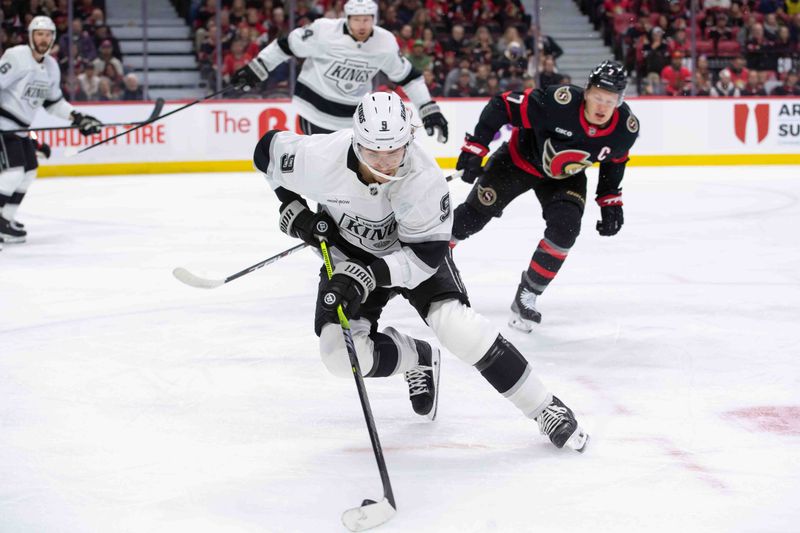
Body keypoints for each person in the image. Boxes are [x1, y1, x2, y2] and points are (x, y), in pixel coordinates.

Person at [252, 91, 589, 452]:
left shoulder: (424, 180)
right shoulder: (321, 157)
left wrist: (368, 276)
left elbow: (425, 257)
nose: (384, 165)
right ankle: (418, 358)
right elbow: (266, 152)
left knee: (457, 326)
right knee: (338, 355)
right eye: (373, 153)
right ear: (356, 141)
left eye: (394, 152)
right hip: (348, 255)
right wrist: (292, 208)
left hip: (412, 255)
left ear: (409, 140)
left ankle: (543, 407)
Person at [450, 60, 639, 331]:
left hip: (565, 177)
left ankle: (528, 295)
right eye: (597, 97)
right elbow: (502, 105)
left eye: (610, 101)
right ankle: (426, 265)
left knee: (566, 229)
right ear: (586, 92)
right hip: (517, 162)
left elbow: (614, 162)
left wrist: (610, 201)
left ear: (619, 101)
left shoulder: (624, 129)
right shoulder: (558, 102)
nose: (602, 107)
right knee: (471, 218)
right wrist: (475, 148)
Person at [231, 0, 448, 142]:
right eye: (356, 20)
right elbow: (285, 45)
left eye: (366, 20)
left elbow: (409, 77)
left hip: (352, 118)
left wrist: (428, 108)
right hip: (314, 112)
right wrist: (257, 68)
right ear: (347, 18)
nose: (361, 25)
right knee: (322, 170)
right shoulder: (323, 31)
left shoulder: (385, 43)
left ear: (374, 19)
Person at [0, 16, 102, 246]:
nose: (43, 38)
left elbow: (53, 102)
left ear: (53, 37)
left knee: (29, 172)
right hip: (3, 126)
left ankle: (5, 220)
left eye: (47, 34)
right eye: (39, 33)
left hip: (21, 129)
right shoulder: (16, 57)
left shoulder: (51, 67)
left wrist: (78, 118)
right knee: (13, 173)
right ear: (30, 35)